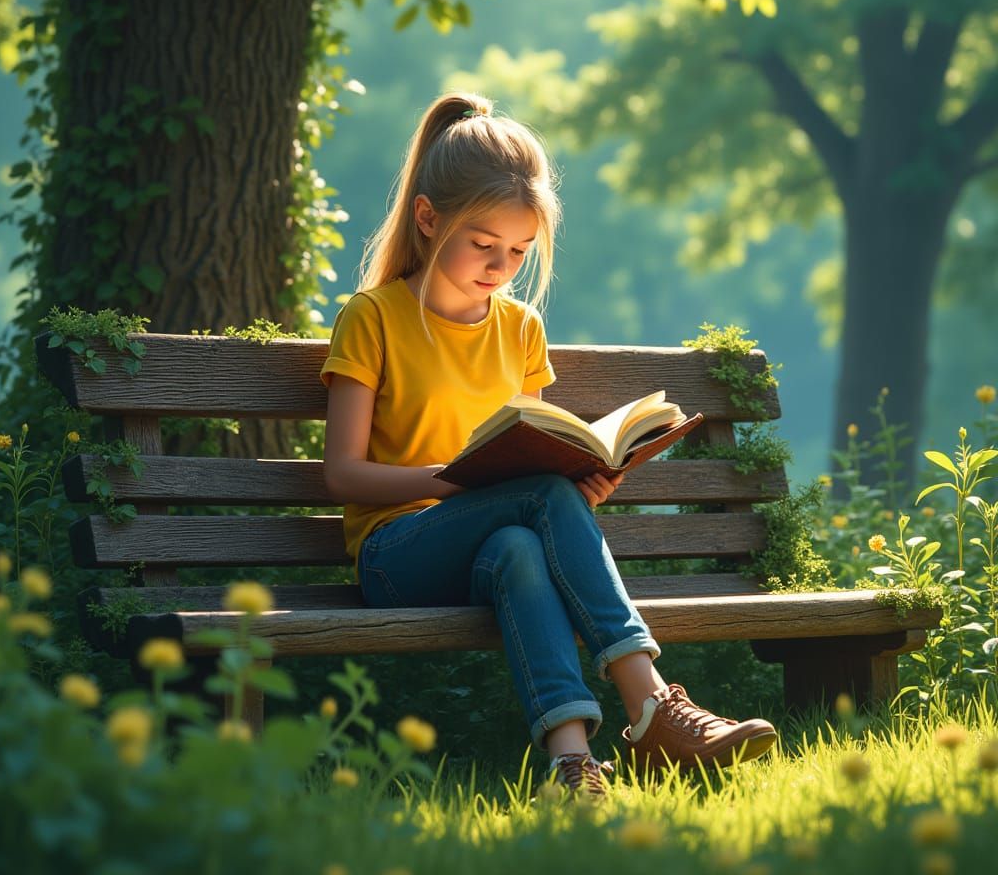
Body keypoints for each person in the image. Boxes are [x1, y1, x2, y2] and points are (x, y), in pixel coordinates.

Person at [320, 91, 777, 797]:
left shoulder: (521, 329)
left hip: (490, 542)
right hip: (395, 552)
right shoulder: (372, 319)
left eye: (518, 251)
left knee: (521, 545)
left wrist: (581, 476)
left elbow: (530, 448)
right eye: (483, 245)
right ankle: (654, 705)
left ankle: (571, 766)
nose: (501, 265)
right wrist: (459, 481)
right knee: (533, 502)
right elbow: (344, 477)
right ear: (427, 218)